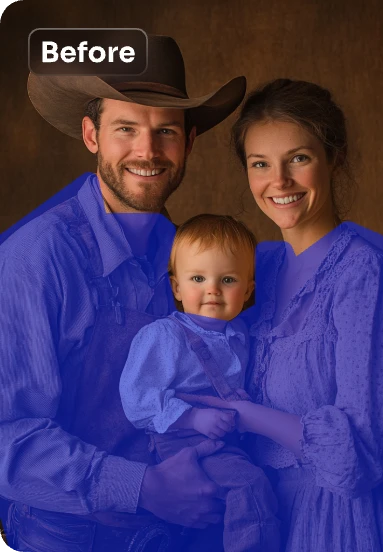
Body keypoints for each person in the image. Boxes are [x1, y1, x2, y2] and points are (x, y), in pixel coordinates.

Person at [0, 35, 246, 551]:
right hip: (68, 536)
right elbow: (7, 435)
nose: (148, 152)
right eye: (126, 129)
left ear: (190, 141)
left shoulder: (191, 261)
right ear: (91, 135)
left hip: (179, 533)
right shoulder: (36, 259)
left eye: (166, 133)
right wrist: (142, 487)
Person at [179, 78, 383, 551]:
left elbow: (362, 453)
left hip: (340, 523)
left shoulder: (366, 272)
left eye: (298, 159)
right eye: (260, 164)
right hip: (261, 519)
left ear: (335, 158)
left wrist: (246, 415)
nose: (278, 181)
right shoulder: (254, 267)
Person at [120, 214, 280, 551]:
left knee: (232, 509)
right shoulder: (165, 335)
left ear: (248, 289)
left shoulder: (239, 334)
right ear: (176, 287)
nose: (212, 289)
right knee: (249, 486)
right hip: (182, 439)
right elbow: (138, 398)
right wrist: (193, 417)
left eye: (227, 279)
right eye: (197, 278)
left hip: (228, 437)